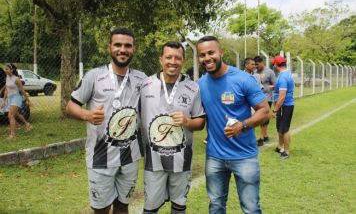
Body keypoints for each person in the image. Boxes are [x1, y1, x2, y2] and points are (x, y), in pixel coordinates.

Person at [66, 27, 147, 214]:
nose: (122, 49)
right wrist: (87, 115)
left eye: (128, 45)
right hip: (100, 157)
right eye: (117, 44)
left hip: (130, 157)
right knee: (101, 210)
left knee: (122, 207)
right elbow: (71, 106)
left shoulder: (141, 79)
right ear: (109, 47)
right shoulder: (94, 76)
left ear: (133, 49)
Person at [196, 36, 269, 214]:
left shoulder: (243, 79)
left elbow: (265, 111)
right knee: (216, 206)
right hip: (215, 157)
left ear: (221, 52)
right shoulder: (200, 84)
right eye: (202, 55)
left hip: (244, 156)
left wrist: (242, 126)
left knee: (251, 208)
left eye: (211, 52)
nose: (207, 58)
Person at [140, 41, 205, 214]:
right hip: (153, 159)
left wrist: (188, 122)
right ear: (161, 59)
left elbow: (200, 122)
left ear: (183, 61)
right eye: (168, 57)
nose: (173, 61)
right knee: (150, 208)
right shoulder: (145, 85)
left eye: (177, 58)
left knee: (178, 208)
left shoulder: (193, 88)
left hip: (181, 158)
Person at [1, 63, 32, 139]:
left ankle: (12, 135)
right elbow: (6, 90)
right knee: (17, 114)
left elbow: (22, 90)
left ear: (12, 70)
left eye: (7, 69)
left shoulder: (16, 79)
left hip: (16, 98)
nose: (5, 70)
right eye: (5, 69)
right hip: (10, 98)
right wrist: (4, 101)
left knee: (10, 115)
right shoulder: (7, 77)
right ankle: (27, 124)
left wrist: (28, 100)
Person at [272, 55, 294, 159]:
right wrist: (274, 88)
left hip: (284, 106)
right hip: (283, 105)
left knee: (284, 129)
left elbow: (282, 96)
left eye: (274, 64)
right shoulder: (285, 74)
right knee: (279, 128)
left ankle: (286, 151)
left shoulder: (283, 77)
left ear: (276, 65)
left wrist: (275, 110)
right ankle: (280, 147)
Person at [254, 55, 276, 146]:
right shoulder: (255, 72)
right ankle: (265, 135)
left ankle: (261, 138)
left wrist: (268, 87)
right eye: (255, 65)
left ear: (262, 62)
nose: (256, 66)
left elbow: (275, 85)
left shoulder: (270, 72)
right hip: (256, 98)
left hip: (267, 98)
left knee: (263, 118)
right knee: (261, 118)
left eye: (257, 64)